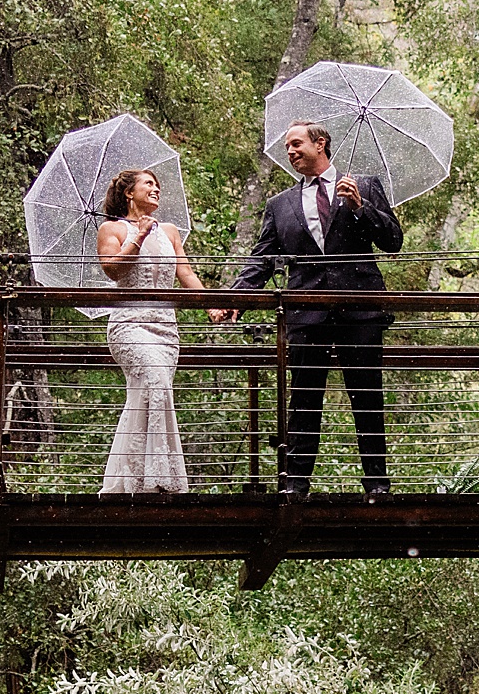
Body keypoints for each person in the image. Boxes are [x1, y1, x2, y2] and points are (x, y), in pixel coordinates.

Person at [212, 120, 404, 495]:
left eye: (297, 144)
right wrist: (236, 301)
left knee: (366, 396)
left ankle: (377, 484)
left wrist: (360, 209)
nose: (290, 152)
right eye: (287, 147)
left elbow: (393, 241)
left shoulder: (364, 187)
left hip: (360, 310)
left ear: (321, 143)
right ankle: (295, 484)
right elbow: (262, 261)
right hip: (306, 313)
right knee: (303, 398)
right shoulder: (279, 205)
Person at [96, 167, 205, 495]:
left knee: (152, 393)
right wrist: (137, 237)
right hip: (130, 326)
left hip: (165, 330)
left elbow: (185, 274)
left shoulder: (170, 231)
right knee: (153, 381)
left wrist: (213, 303)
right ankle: (154, 480)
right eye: (149, 184)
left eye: (158, 184)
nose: (156, 189)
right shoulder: (111, 228)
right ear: (129, 193)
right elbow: (113, 269)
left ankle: (136, 479)